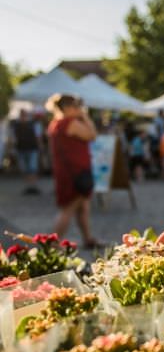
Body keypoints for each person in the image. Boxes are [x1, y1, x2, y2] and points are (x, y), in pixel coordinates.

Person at [46, 94, 99, 248]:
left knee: (83, 207)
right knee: (68, 209)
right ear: (68, 108)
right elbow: (92, 135)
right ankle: (52, 244)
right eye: (77, 107)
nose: (80, 110)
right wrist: (86, 117)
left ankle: (88, 239)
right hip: (76, 171)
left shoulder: (55, 123)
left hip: (67, 170)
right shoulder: (70, 122)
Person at [11, 109, 42, 194]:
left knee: (32, 168)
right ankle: (28, 186)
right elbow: (14, 138)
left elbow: (38, 137)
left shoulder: (33, 124)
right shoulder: (16, 125)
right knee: (25, 169)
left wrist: (39, 147)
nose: (23, 117)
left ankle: (33, 186)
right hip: (21, 149)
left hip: (32, 149)